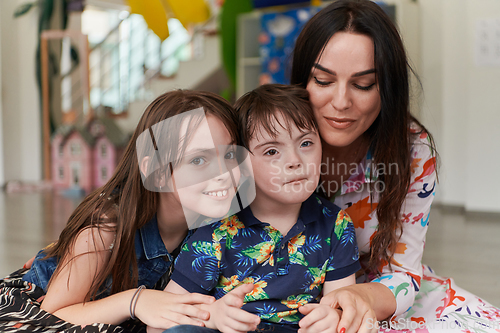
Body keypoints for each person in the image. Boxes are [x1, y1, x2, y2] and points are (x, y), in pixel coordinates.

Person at [290, 0, 500, 332]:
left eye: (363, 85)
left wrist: (357, 300)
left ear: (387, 88)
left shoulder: (411, 150)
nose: (341, 102)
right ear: (302, 81)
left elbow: (403, 274)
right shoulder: (268, 140)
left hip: (380, 295)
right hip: (284, 297)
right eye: (323, 80)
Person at [0, 90, 252, 332]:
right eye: (199, 160)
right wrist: (136, 301)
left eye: (230, 154)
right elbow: (52, 315)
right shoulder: (106, 227)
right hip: (43, 311)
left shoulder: (220, 220)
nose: (224, 173)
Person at [156, 84, 361, 333]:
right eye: (272, 151)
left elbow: (341, 303)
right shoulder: (216, 230)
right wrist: (213, 317)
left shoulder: (336, 224)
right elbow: (159, 325)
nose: (295, 161)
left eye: (306, 143)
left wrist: (332, 317)